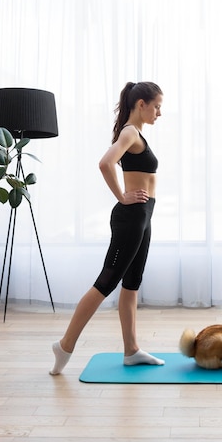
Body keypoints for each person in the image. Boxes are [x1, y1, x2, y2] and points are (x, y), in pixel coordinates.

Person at [50, 81, 164, 375]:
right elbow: (105, 163)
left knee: (132, 282)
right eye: (156, 107)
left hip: (142, 216)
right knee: (106, 282)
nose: (159, 113)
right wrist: (122, 196)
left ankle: (131, 350)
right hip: (131, 216)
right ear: (141, 104)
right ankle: (64, 345)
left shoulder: (136, 134)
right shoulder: (129, 132)